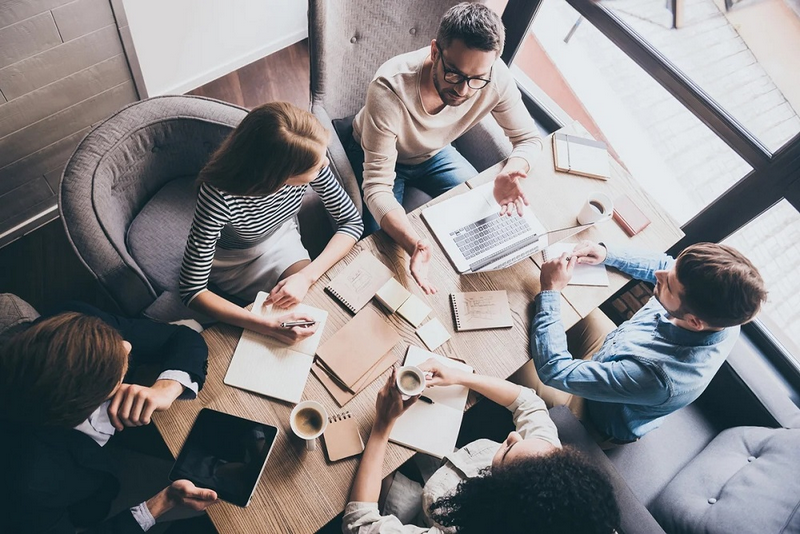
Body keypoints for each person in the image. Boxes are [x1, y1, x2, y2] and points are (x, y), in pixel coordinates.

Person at [347, 2, 544, 294]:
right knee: (381, 246)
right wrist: (414, 244)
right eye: (454, 73)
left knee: (484, 212)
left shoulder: (495, 77)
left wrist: (513, 170)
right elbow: (377, 188)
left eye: (476, 78)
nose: (463, 90)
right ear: (435, 51)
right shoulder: (389, 89)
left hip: (436, 153)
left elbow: (529, 139)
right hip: (380, 157)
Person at [0, 302, 217, 533]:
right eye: (110, 370)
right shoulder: (29, 487)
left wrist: (167, 388)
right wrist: (161, 503)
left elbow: (182, 337)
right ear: (88, 400)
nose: (126, 346)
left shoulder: (71, 325)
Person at [528, 241, 767, 444]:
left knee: (515, 365)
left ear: (694, 322)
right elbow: (665, 265)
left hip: (593, 415)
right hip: (613, 351)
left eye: (669, 284)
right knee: (557, 310)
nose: (659, 275)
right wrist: (607, 253)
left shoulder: (656, 378)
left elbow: (554, 370)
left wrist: (551, 290)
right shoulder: (724, 315)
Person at [342, 364, 621, 534]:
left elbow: (360, 524)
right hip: (448, 466)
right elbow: (528, 403)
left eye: (508, 450)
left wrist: (381, 426)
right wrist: (461, 377)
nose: (513, 435)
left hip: (427, 512)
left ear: (496, 497)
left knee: (357, 468)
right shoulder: (550, 471)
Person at [179, 101, 363, 345]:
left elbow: (352, 221)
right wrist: (269, 327)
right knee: (285, 325)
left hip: (281, 236)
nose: (326, 164)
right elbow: (192, 290)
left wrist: (306, 276)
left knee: (312, 306)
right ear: (282, 176)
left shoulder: (313, 163)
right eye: (317, 165)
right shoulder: (218, 197)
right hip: (235, 262)